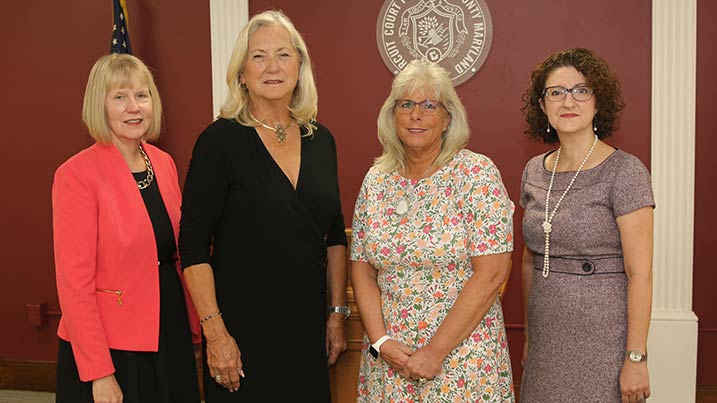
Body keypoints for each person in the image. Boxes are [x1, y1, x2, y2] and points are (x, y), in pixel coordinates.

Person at [178, 10, 348, 402]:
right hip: (240, 335)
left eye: (283, 55)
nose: (272, 66)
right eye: (258, 56)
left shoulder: (322, 140)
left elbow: (335, 232)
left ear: (300, 66)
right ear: (241, 73)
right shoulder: (218, 142)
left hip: (307, 332)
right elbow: (192, 247)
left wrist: (337, 314)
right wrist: (216, 334)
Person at [350, 59, 515, 402]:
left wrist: (435, 352)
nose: (416, 115)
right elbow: (361, 267)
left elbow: (492, 273)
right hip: (390, 363)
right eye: (406, 104)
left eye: (429, 105)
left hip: (462, 362)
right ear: (391, 116)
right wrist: (381, 342)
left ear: (447, 118)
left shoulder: (476, 174)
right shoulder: (377, 180)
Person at [52, 53, 201, 403]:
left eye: (142, 95)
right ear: (99, 106)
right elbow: (74, 284)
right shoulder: (76, 175)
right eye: (119, 97)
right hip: (112, 348)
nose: (133, 107)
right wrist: (99, 372)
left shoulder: (162, 164)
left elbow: (178, 254)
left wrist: (194, 332)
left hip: (170, 330)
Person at [519, 48, 654, 403]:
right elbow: (529, 259)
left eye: (581, 90)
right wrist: (531, 336)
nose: (569, 101)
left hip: (603, 338)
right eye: (556, 92)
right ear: (543, 104)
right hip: (547, 337)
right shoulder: (533, 170)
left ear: (598, 102)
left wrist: (636, 357)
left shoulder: (625, 172)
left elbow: (640, 273)